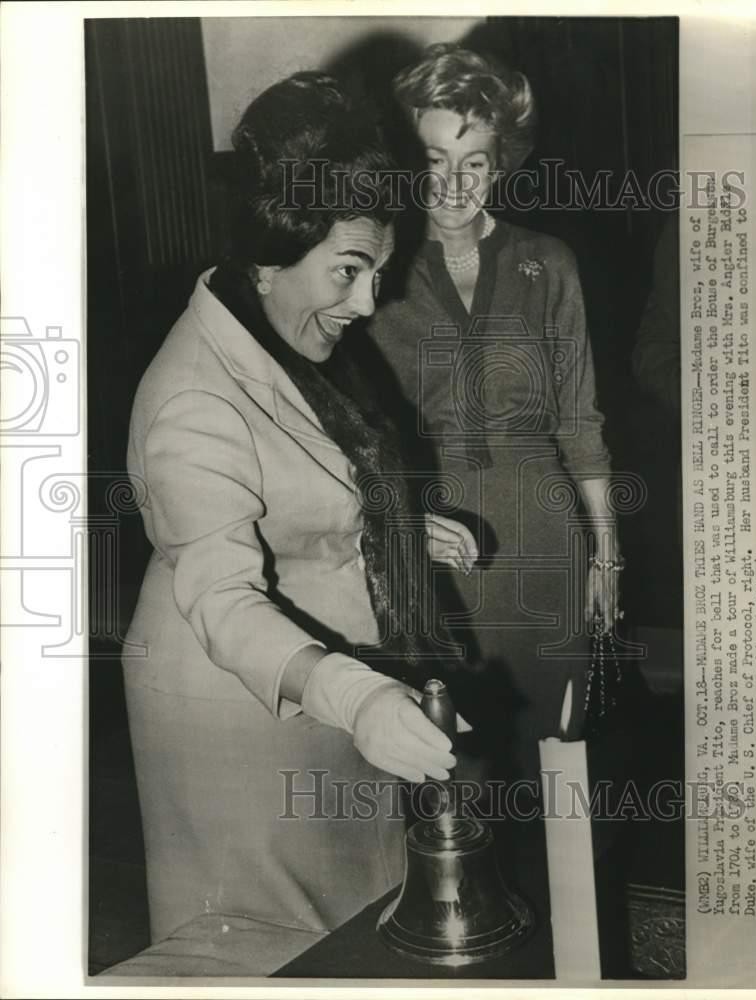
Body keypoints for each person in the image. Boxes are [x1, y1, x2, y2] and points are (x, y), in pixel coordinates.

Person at [121, 72, 477, 952]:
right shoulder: (194, 396)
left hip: (323, 684)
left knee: (352, 927)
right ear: (273, 251)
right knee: (271, 946)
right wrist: (357, 697)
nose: (367, 303)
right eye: (349, 272)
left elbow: (310, 478)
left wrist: (390, 531)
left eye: (376, 273)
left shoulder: (270, 326)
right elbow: (221, 598)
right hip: (240, 712)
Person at [364, 45, 623, 771]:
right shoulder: (371, 272)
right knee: (455, 761)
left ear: (500, 162)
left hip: (547, 538)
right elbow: (346, 433)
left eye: (473, 162)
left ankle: (563, 854)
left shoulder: (550, 263)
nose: (453, 184)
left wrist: (607, 554)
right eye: (433, 160)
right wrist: (400, 525)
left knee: (561, 754)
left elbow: (582, 423)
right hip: (434, 542)